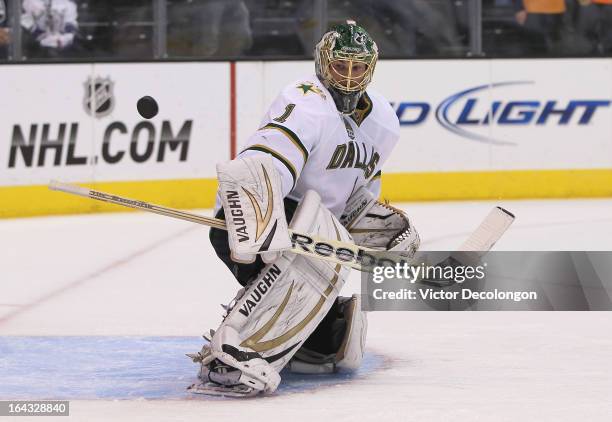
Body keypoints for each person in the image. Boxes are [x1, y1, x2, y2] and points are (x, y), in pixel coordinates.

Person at [187, 21, 420, 397]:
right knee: (291, 274)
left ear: (370, 69)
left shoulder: (384, 122)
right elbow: (270, 157)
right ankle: (228, 352)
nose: (347, 77)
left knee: (329, 347)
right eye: (339, 66)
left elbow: (359, 195)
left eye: (357, 67)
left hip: (315, 234)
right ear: (321, 64)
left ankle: (293, 343)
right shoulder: (306, 100)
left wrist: (376, 228)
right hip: (256, 220)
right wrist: (260, 214)